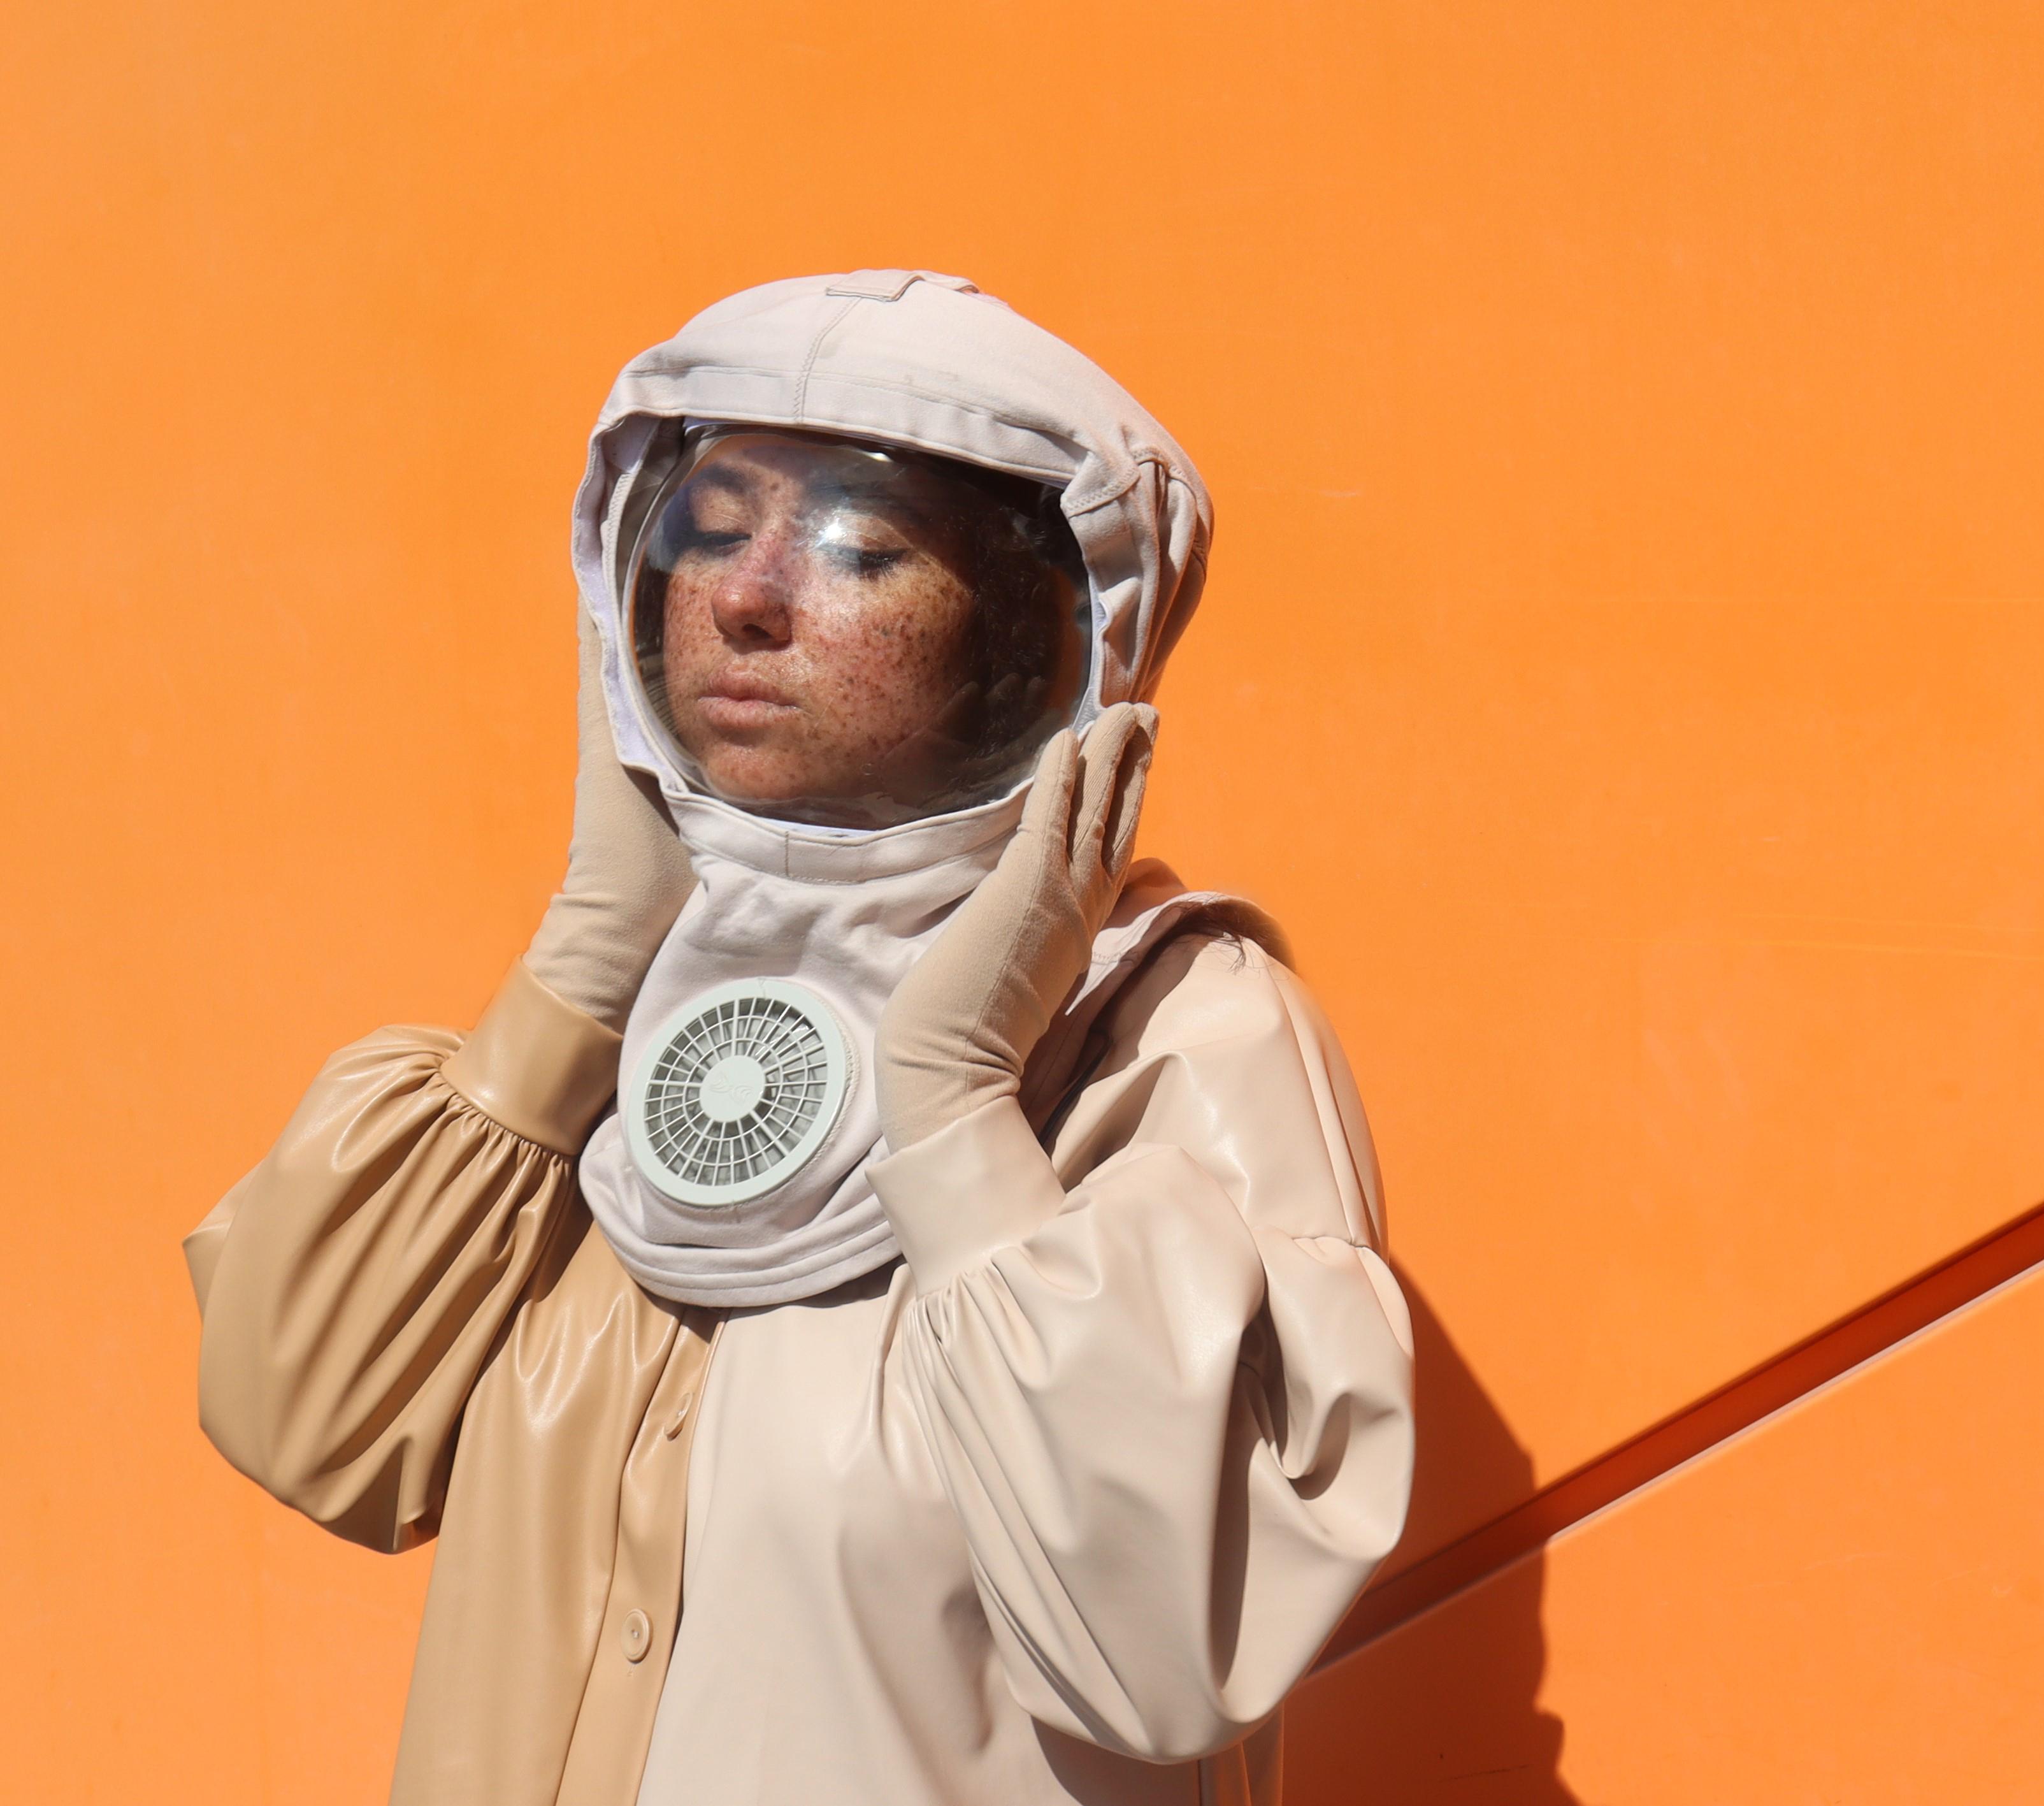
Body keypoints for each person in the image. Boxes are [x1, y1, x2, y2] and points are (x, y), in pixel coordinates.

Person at [187, 269, 1415, 1806]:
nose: (746, 598)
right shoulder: (635, 1014)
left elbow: (1172, 1645)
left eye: (858, 549)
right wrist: (588, 957)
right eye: (708, 533)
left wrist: (956, 1105)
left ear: (1025, 635)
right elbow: (304, 1418)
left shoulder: (1182, 1034)